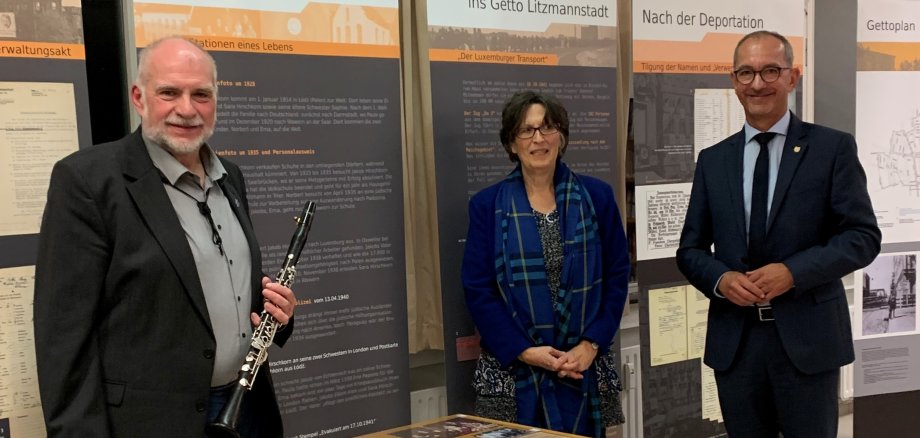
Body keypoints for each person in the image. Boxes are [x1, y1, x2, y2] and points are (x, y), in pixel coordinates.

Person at [33, 37, 296, 437]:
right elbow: (63, 340)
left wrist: (278, 312)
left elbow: (218, 291)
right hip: (154, 424)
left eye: (201, 94)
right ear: (139, 98)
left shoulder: (231, 178)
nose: (187, 109)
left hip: (247, 410)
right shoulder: (88, 181)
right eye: (169, 92)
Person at [677, 30, 881, 437]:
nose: (757, 83)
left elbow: (862, 236)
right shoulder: (714, 160)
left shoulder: (832, 148)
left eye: (771, 70)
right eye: (746, 73)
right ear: (733, 80)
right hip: (737, 344)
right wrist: (720, 279)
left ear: (793, 77)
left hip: (807, 342)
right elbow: (690, 249)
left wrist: (793, 272)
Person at [461, 91, 630, 437]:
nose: (538, 139)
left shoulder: (597, 197)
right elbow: (478, 289)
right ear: (512, 144)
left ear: (561, 137)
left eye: (547, 128)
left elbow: (616, 275)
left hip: (584, 367)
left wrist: (590, 344)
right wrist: (525, 351)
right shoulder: (487, 205)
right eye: (526, 130)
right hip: (511, 374)